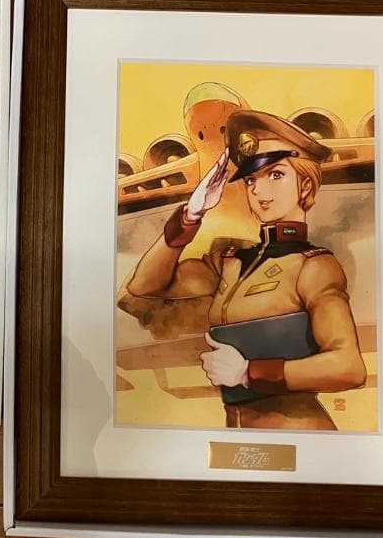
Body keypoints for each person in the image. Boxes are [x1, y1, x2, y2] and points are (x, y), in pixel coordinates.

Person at [119, 109, 366, 430]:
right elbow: (144, 286)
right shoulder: (230, 262)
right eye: (251, 180)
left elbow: (348, 367)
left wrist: (248, 373)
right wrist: (190, 216)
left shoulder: (314, 266)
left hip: (301, 434)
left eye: (275, 175)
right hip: (239, 432)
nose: (259, 192)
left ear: (305, 186)